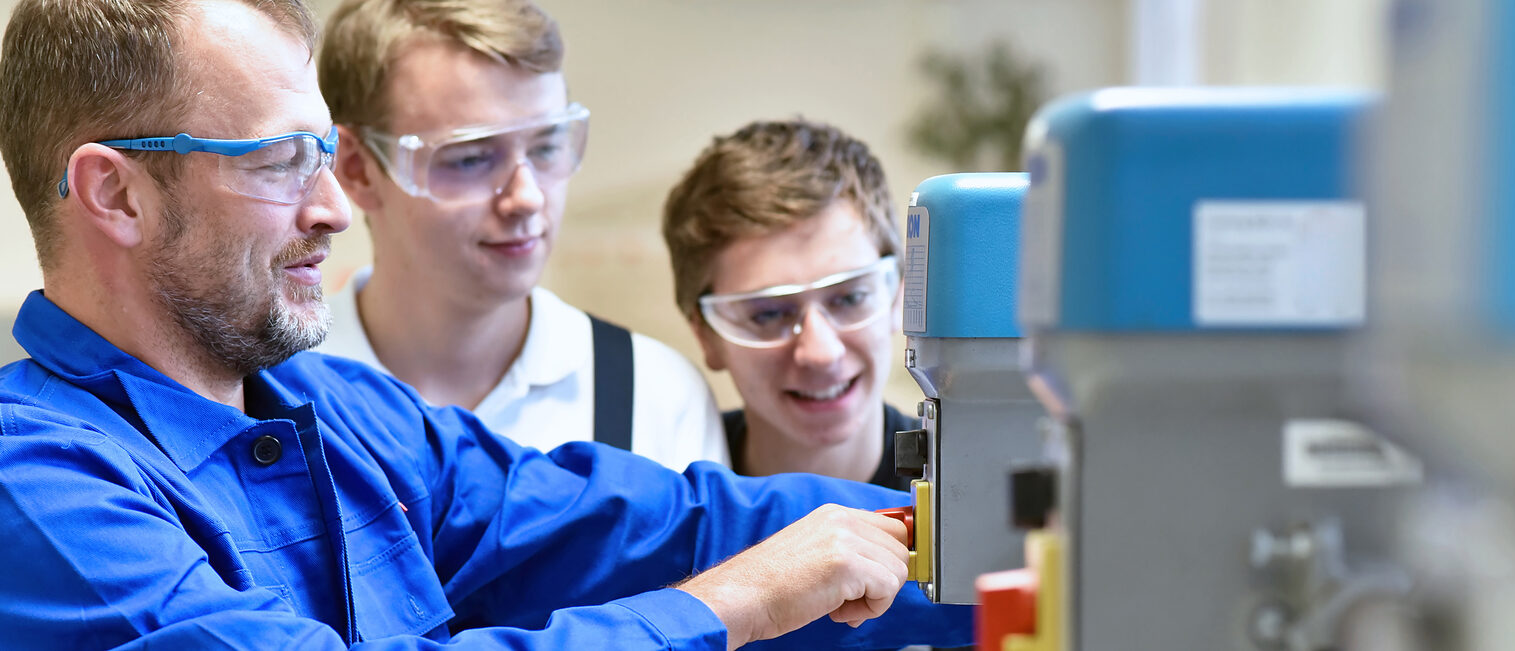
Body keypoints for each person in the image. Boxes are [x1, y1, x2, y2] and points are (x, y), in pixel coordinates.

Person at [0, 1, 973, 648]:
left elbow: (659, 525)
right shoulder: (36, 485)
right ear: (115, 195)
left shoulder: (347, 415)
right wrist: (739, 600)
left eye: (324, 156)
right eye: (276, 162)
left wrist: (993, 536)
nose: (333, 209)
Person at [314, 0, 725, 470]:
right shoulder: (265, 391)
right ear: (357, 169)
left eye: (546, 146)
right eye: (470, 158)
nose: (527, 197)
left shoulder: (654, 397)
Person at [663, 119, 916, 489]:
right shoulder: (672, 504)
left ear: (897, 298)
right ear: (705, 336)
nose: (821, 353)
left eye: (850, 297)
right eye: (767, 314)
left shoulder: (972, 490)